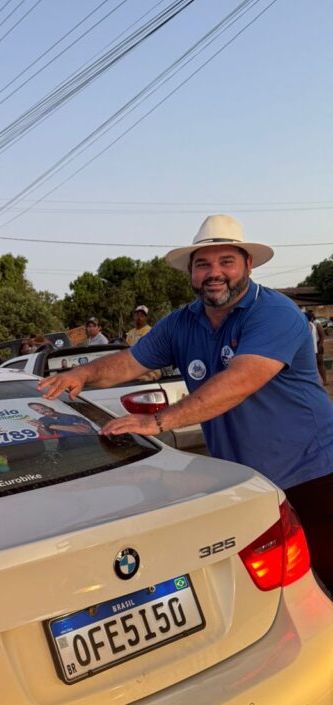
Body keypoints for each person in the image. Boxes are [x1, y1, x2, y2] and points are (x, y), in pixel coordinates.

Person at [40, 215, 333, 592]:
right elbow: (130, 362)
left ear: (248, 265)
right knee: (282, 588)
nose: (215, 273)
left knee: (326, 574)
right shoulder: (183, 322)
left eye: (226, 261)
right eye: (203, 264)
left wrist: (158, 421)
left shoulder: (274, 313)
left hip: (313, 471)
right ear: (192, 273)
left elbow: (240, 381)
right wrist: (82, 374)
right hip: (246, 480)